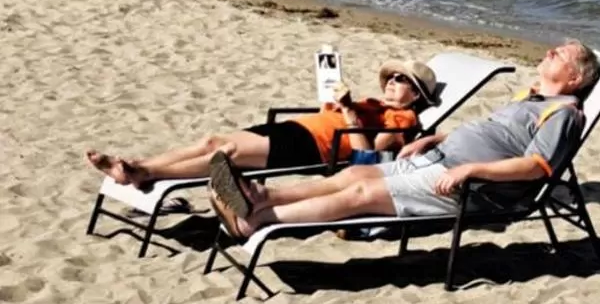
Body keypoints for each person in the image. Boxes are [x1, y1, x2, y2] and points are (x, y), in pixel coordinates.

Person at [207, 40, 599, 239]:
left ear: (575, 78)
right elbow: (493, 136)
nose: (549, 51)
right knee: (352, 176)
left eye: (560, 54)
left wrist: (470, 170)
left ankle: (256, 221)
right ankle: (264, 197)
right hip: (439, 159)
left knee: (360, 196)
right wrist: (434, 138)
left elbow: (535, 167)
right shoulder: (530, 99)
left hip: (469, 186)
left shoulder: (564, 114)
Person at [86, 59, 437, 190]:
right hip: (299, 127)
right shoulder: (374, 103)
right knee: (212, 141)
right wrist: (331, 98)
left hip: (313, 147)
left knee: (228, 155)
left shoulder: (403, 120)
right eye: (391, 77)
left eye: (402, 80)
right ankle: (139, 165)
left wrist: (348, 111)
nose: (392, 82)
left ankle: (144, 174)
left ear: (416, 95)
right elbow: (329, 115)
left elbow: (366, 156)